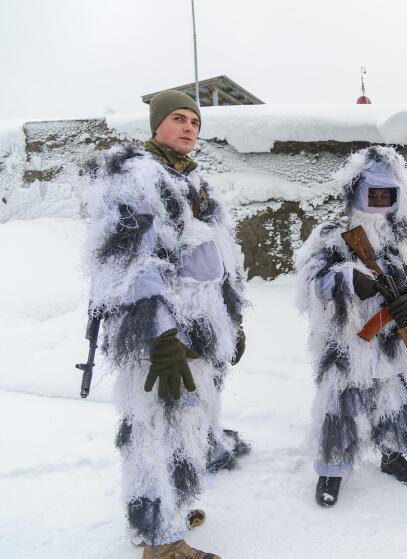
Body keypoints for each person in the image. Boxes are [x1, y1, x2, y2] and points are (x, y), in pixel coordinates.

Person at [85, 90, 247, 558]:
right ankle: (162, 542)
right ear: (156, 126)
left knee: (176, 425)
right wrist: (161, 334)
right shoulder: (137, 179)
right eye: (178, 118)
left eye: (195, 121)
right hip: (161, 332)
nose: (189, 127)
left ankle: (158, 512)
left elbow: (216, 262)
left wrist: (228, 322)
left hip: (192, 328)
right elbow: (133, 265)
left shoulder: (187, 180)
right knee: (156, 429)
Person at [295, 146, 407, 507]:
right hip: (346, 343)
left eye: (387, 194)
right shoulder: (333, 235)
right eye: (373, 192)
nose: (380, 200)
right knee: (339, 405)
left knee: (394, 401)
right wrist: (348, 280)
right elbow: (308, 284)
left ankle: (392, 454)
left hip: (393, 341)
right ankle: (332, 468)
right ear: (356, 191)